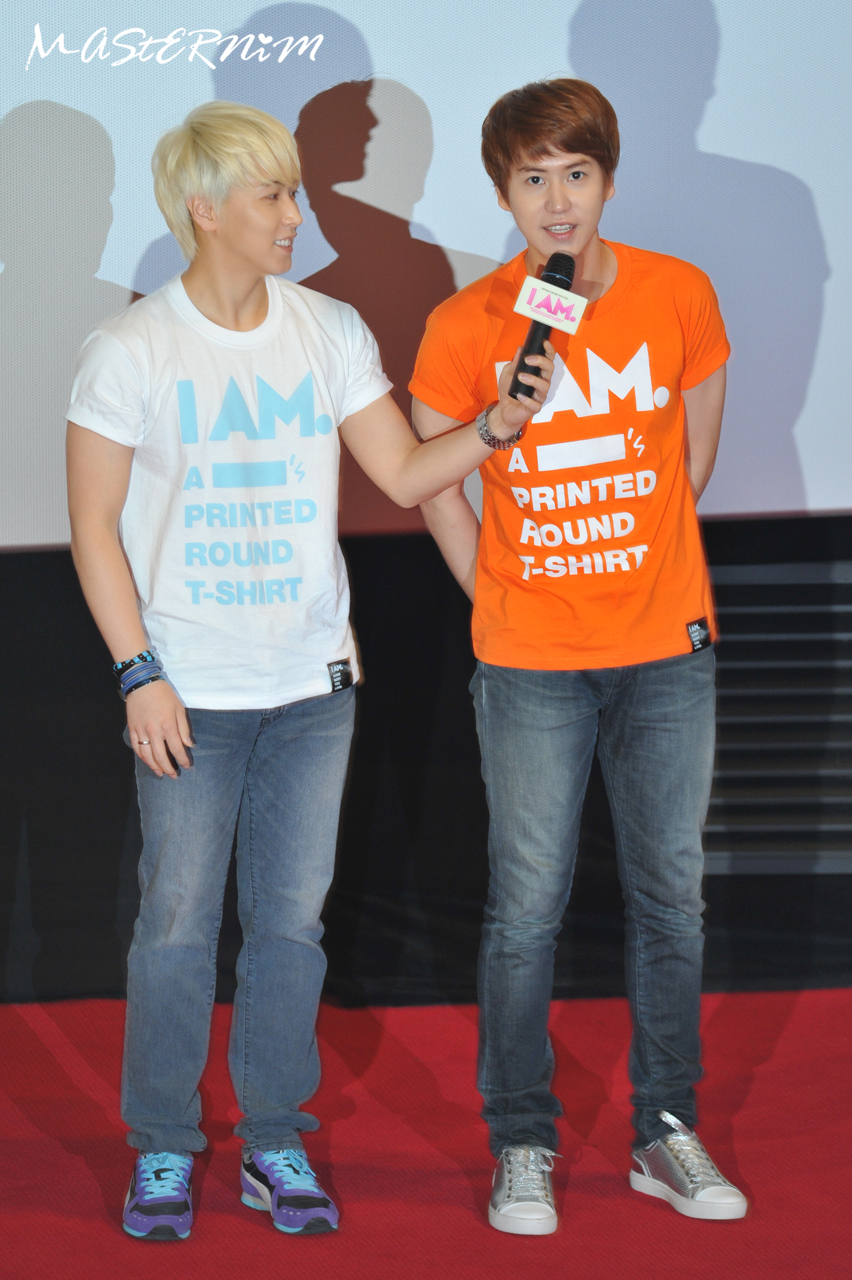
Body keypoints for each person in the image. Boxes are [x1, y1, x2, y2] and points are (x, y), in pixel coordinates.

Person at [65, 100, 552, 1242]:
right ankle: (164, 1144)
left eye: (294, 191)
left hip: (312, 687)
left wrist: (495, 426)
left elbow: (404, 471)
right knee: (176, 923)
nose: (298, 214)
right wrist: (139, 671)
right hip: (190, 690)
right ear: (205, 209)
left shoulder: (327, 328)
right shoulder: (132, 347)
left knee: (291, 927)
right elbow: (93, 528)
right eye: (274, 194)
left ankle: (274, 1134)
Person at [410, 78, 747, 1234]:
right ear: (503, 192)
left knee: (671, 898)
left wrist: (630, 563)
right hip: (531, 660)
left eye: (576, 173)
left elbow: (690, 463)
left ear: (607, 178)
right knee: (526, 907)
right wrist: (501, 595)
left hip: (664, 647)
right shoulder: (468, 323)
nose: (557, 200)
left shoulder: (677, 291)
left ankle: (665, 1127)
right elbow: (437, 484)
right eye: (532, 178)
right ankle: (521, 1138)